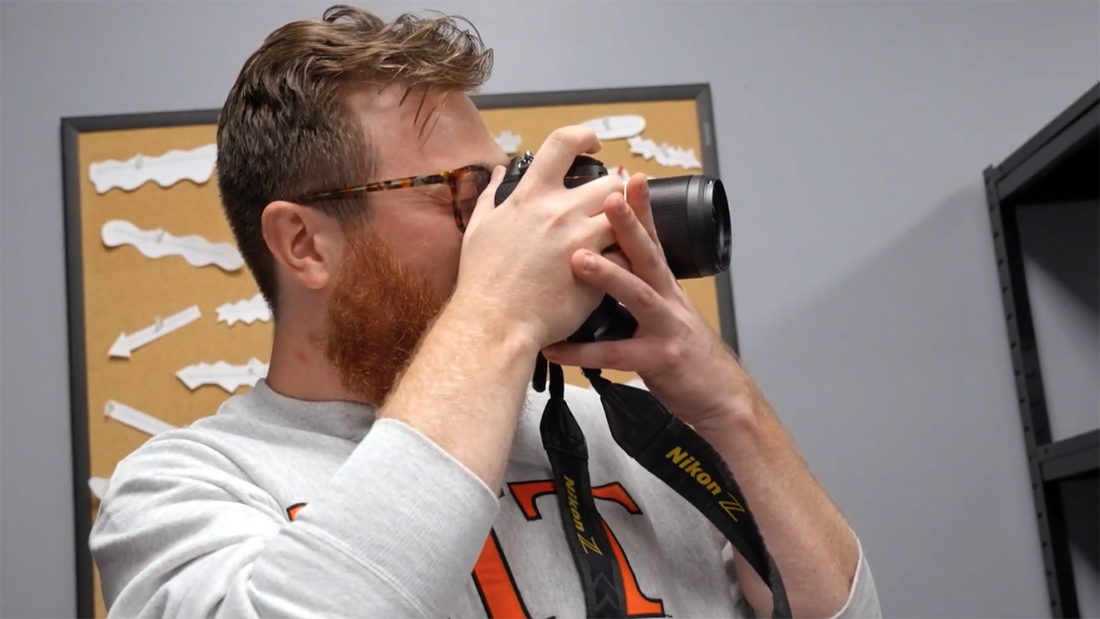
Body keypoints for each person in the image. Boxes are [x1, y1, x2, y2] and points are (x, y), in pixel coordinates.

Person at [89, 5, 882, 619]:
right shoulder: (183, 489)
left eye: (504, 186)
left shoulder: (626, 437)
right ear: (305, 244)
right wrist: (498, 314)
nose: (505, 225)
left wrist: (728, 409)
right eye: (465, 193)